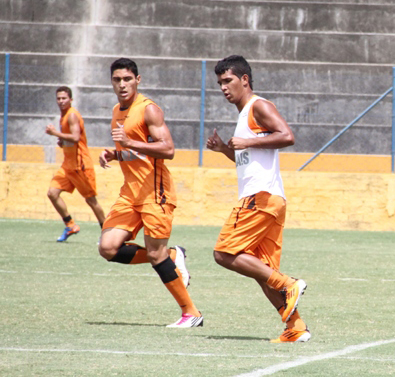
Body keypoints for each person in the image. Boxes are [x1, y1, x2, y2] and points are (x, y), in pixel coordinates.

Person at [206, 55, 308, 343]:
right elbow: (247, 159)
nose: (223, 88)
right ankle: (296, 327)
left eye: (228, 81)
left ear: (245, 80)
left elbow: (287, 136)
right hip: (272, 199)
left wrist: (247, 141)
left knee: (223, 254)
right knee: (262, 271)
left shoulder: (258, 106)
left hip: (259, 197)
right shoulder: (243, 117)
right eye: (219, 83)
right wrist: (225, 149)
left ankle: (289, 284)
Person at [98, 58, 202, 328]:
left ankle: (191, 313)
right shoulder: (116, 110)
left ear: (138, 80)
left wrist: (131, 141)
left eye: (127, 79)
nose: (122, 84)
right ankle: (173, 256)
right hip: (129, 194)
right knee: (108, 248)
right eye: (117, 80)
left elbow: (168, 149)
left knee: (156, 255)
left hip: (156, 193)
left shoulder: (149, 110)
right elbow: (135, 153)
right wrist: (114, 153)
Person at [45, 86, 106, 242]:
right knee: (52, 193)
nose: (61, 101)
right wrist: (61, 141)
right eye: (58, 98)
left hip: (80, 165)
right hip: (68, 165)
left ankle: (107, 233)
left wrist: (55, 134)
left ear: (71, 100)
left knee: (91, 201)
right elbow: (69, 140)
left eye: (64, 98)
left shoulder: (72, 115)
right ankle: (70, 225)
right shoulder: (63, 116)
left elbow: (76, 137)